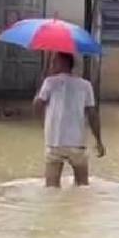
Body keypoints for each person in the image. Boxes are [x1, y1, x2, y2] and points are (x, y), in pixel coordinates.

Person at [33, 51, 105, 187]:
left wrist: (41, 84)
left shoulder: (49, 82)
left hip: (55, 142)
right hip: (77, 143)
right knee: (82, 186)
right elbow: (92, 114)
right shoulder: (85, 85)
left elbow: (37, 106)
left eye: (54, 61)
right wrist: (99, 141)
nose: (52, 64)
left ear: (62, 63)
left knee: (51, 188)